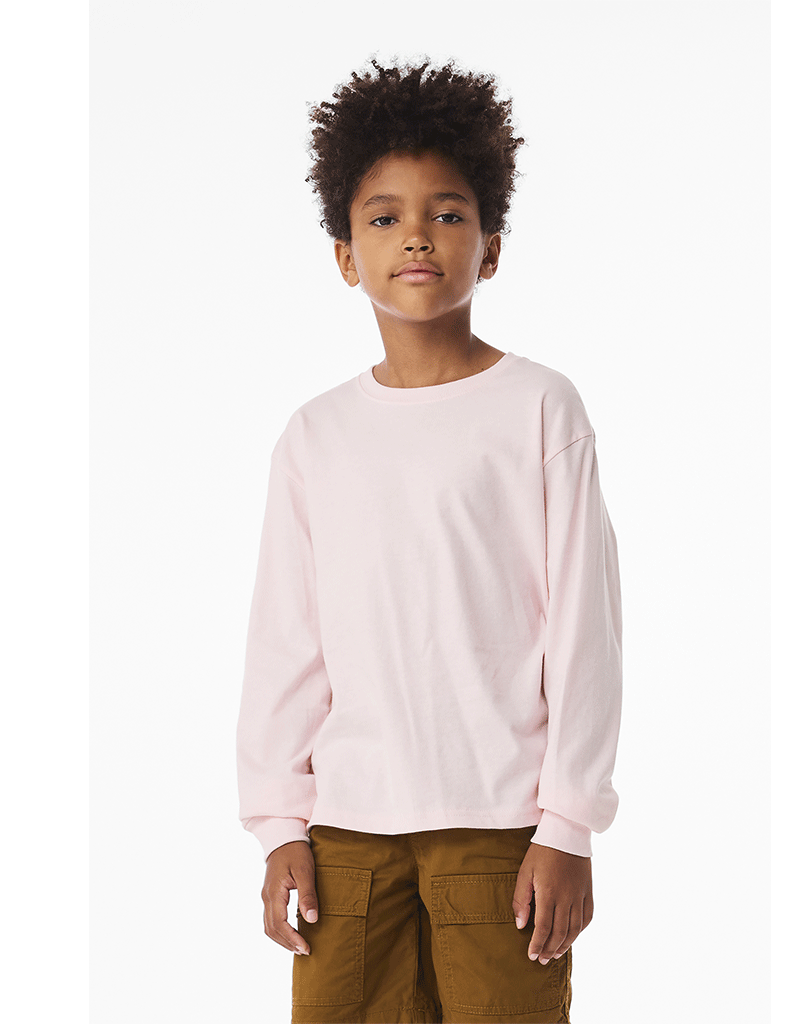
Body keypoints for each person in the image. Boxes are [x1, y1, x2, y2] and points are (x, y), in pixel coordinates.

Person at [235, 57, 623, 1024]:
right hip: (346, 839)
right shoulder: (315, 436)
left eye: (448, 214)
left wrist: (567, 825)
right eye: (384, 218)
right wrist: (280, 823)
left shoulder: (540, 408)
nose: (416, 235)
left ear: (490, 249)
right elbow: (287, 642)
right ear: (344, 256)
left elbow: (585, 630)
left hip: (499, 829)